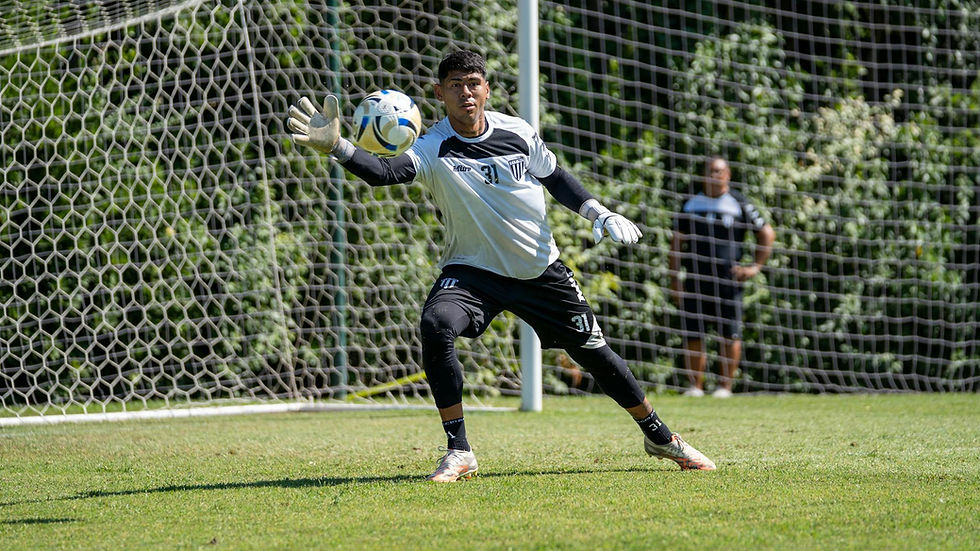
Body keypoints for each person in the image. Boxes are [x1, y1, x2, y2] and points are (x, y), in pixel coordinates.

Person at [287, 50, 715, 481]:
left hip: (539, 271)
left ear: (487, 89)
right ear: (439, 93)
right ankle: (459, 450)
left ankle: (659, 436)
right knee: (437, 324)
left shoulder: (518, 133)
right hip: (474, 273)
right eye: (455, 85)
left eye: (473, 83)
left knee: (597, 357)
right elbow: (385, 172)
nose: (465, 92)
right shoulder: (433, 145)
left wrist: (599, 213)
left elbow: (557, 179)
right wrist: (339, 147)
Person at [669, 156, 775, 398]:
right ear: (703, 174)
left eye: (719, 171)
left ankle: (724, 388)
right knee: (694, 333)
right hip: (695, 279)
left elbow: (767, 233)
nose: (714, 175)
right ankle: (695, 387)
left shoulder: (739, 203)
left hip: (729, 280)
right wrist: (675, 281)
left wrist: (755, 267)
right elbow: (675, 243)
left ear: (728, 175)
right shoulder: (690, 203)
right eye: (710, 171)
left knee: (730, 333)